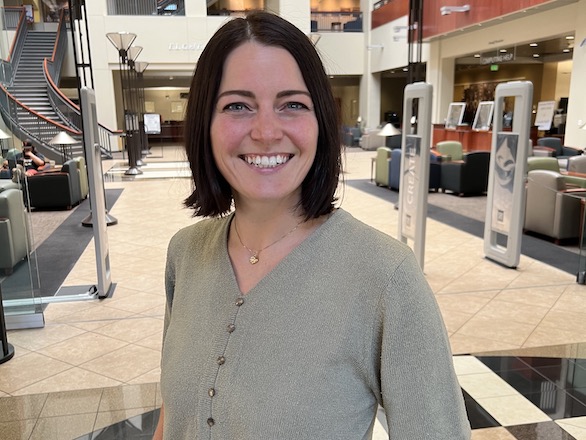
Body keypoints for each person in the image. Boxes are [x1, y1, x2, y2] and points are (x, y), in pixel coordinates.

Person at [154, 11, 470, 440]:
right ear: (204, 124)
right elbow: (171, 419)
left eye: (292, 105)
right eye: (237, 106)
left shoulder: (384, 276)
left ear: (320, 121)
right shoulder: (185, 253)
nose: (266, 131)